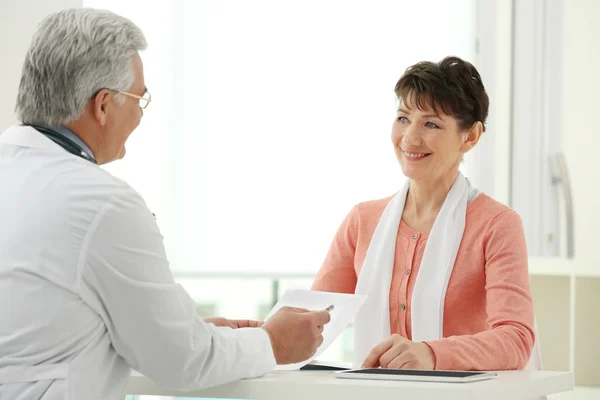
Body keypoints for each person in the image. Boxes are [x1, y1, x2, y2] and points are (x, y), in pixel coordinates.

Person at [0, 8, 330, 400]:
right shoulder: (101, 203)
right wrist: (273, 343)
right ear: (103, 105)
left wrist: (181, 329)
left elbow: (47, 329)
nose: (140, 115)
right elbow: (181, 361)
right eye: (139, 99)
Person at [312, 56, 541, 371]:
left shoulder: (496, 225)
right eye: (404, 118)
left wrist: (431, 355)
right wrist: (244, 334)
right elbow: (310, 322)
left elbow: (515, 340)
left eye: (431, 123)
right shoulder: (362, 221)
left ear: (471, 136)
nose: (409, 138)